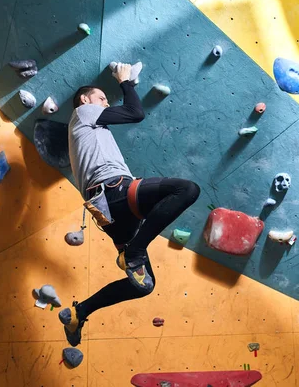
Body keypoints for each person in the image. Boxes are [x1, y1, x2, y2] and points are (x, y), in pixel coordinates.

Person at [58, 63, 201, 346]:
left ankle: (79, 312)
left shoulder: (88, 130)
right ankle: (134, 251)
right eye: (102, 98)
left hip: (111, 211)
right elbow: (135, 112)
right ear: (86, 100)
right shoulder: (83, 112)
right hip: (114, 192)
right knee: (186, 189)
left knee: (144, 285)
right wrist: (126, 82)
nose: (105, 103)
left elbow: (127, 113)